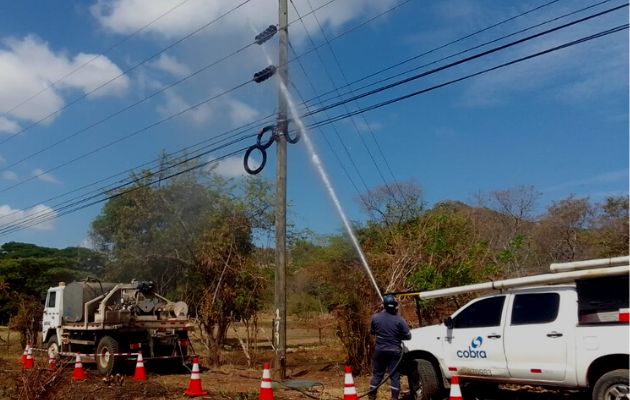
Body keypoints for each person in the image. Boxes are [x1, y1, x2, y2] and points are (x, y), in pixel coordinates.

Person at [369, 294, 411, 400]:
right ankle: (394, 398)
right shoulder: (400, 320)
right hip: (395, 352)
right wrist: (398, 335)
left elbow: (372, 332)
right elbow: (408, 336)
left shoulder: (375, 317)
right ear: (395, 306)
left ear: (384, 305)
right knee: (395, 376)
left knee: (378, 375)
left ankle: (371, 396)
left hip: (380, 351)